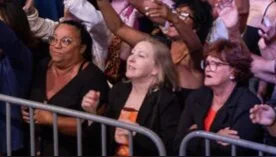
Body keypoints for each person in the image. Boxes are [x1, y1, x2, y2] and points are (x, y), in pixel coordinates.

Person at [81, 38, 181, 155]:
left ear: (156, 68)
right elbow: (104, 139)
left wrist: (136, 135)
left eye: (141, 56)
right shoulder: (119, 90)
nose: (131, 59)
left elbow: (169, 147)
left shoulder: (166, 99)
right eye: (132, 53)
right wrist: (92, 114)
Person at [27, 20, 111, 156]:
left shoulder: (93, 78)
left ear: (82, 48)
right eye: (53, 39)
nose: (56, 45)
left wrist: (52, 120)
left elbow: (92, 124)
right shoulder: (41, 66)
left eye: (66, 41)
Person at [175, 39, 261, 155]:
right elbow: (179, 142)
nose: (209, 68)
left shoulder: (248, 103)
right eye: (208, 63)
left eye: (217, 64)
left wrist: (195, 134)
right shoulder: (197, 97)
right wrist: (215, 138)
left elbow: (233, 150)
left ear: (233, 72)